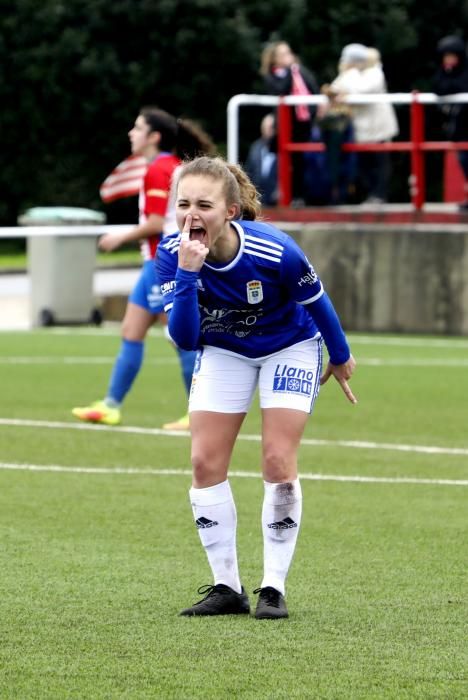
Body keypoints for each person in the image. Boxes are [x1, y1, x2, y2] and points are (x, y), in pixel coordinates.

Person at [156, 156, 357, 619]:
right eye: (182, 203)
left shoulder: (275, 250)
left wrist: (341, 356)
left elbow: (319, 304)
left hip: (290, 346)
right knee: (204, 463)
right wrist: (188, 273)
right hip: (225, 350)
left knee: (277, 459)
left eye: (203, 205)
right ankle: (227, 587)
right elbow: (186, 338)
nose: (190, 214)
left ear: (230, 211)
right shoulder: (172, 253)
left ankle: (273, 587)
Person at [72, 107, 216, 430]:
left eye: (137, 128)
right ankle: (111, 405)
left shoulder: (158, 170)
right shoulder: (170, 167)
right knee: (131, 331)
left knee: (179, 336)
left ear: (154, 137)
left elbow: (154, 223)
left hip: (161, 261)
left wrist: (119, 237)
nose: (131, 133)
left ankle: (201, 411)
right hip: (159, 260)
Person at [330, 44, 399, 204]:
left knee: (379, 162)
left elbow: (360, 90)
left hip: (378, 127)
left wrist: (348, 81)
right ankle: (370, 194)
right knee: (364, 164)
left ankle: (379, 195)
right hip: (362, 129)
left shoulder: (374, 72)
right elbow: (334, 89)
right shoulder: (350, 74)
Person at [260, 41, 319, 204]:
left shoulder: (301, 72)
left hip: (302, 124)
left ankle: (299, 196)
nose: (289, 57)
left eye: (289, 53)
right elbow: (282, 90)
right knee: (281, 161)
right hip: (283, 127)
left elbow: (313, 91)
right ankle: (277, 194)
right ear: (274, 59)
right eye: (283, 54)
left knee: (299, 162)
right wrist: (289, 72)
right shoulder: (272, 75)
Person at [432, 35, 468, 210]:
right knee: (464, 159)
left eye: (452, 56)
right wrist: (448, 73)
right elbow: (439, 88)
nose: (449, 59)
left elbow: (462, 86)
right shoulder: (443, 72)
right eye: (446, 56)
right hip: (460, 127)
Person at [244, 113, 277, 206]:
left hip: (277, 202)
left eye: (271, 127)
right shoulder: (255, 147)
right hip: (257, 201)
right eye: (265, 128)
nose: (268, 131)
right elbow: (248, 172)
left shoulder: (283, 148)